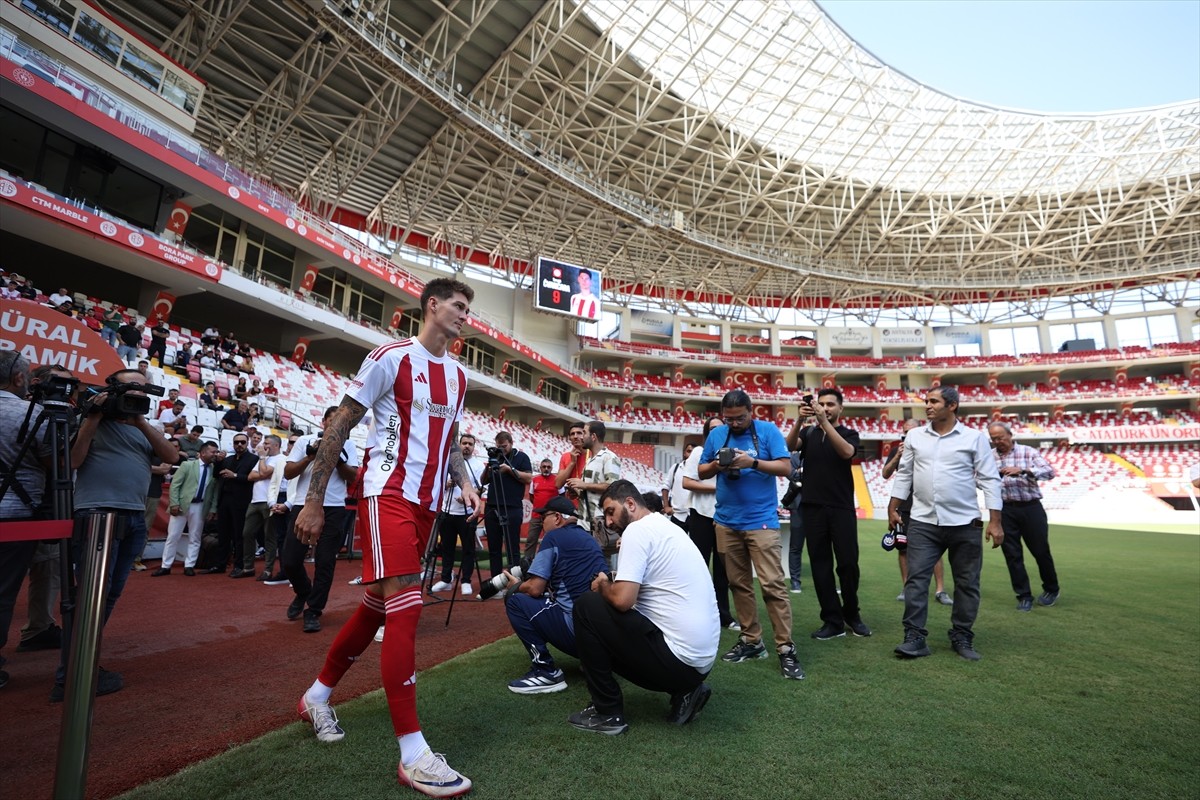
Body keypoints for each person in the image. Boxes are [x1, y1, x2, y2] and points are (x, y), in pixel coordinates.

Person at [291, 277, 478, 796]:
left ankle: (317, 695)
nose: (465, 315)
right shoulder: (391, 358)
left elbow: (453, 445)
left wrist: (466, 484)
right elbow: (340, 425)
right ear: (432, 306)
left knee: (378, 604)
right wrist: (313, 499)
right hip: (386, 493)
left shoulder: (458, 377)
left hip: (429, 504)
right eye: (458, 306)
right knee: (408, 604)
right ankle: (413, 752)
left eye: (469, 309)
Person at [54, 367, 178, 700]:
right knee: (89, 598)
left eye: (142, 391)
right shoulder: (92, 422)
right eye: (130, 391)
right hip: (96, 515)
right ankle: (71, 674)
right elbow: (73, 462)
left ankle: (83, 661)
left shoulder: (142, 427)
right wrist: (93, 417)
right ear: (112, 391)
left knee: (107, 597)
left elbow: (170, 456)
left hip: (134, 519)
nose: (137, 396)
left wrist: (139, 421)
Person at [568, 481, 719, 734]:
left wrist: (604, 585)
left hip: (680, 660)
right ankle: (685, 691)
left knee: (586, 607)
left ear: (629, 503)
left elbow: (623, 600)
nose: (608, 522)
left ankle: (607, 713)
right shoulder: (666, 527)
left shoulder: (637, 531)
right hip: (699, 664)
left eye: (610, 511)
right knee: (608, 616)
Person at [888, 387, 1004, 662]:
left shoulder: (974, 438)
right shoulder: (915, 436)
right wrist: (893, 506)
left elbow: (989, 479)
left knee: (967, 583)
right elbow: (905, 473)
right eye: (926, 401)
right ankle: (914, 637)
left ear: (951, 405)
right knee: (916, 580)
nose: (927, 406)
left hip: (965, 523)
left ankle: (962, 635)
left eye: (933, 401)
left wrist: (996, 521)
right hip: (923, 521)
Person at [700, 390, 802, 679]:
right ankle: (751, 640)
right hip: (726, 522)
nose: (733, 424)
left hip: (762, 522)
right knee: (738, 584)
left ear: (751, 411)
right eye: (728, 419)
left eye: (740, 418)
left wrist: (752, 462)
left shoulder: (768, 431)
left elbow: (785, 467)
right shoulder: (717, 434)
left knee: (772, 585)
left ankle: (785, 648)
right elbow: (702, 470)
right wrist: (719, 464)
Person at [785, 389, 870, 640]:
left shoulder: (848, 433)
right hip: (812, 507)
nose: (825, 407)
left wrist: (823, 422)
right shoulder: (808, 433)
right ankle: (832, 620)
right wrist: (800, 419)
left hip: (841, 507)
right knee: (821, 566)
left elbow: (846, 452)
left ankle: (852, 614)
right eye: (821, 404)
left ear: (840, 408)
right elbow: (788, 447)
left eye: (830, 404)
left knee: (848, 564)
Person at [504, 496, 607, 694]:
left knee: (516, 600)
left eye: (545, 517)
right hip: (603, 639)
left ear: (558, 517)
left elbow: (535, 588)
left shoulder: (554, 537)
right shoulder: (590, 539)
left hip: (579, 634)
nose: (542, 523)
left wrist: (516, 586)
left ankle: (545, 671)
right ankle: (590, 661)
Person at [0, 352, 52, 689]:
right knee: (3, 591)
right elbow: (57, 464)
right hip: (16, 514)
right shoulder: (30, 413)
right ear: (20, 379)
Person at [281, 409, 359, 628]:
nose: (336, 425)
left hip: (334, 506)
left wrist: (338, 459)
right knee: (290, 559)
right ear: (324, 421)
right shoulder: (305, 441)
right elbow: (288, 473)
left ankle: (314, 610)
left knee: (326, 561)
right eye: (333, 420)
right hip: (303, 505)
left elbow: (352, 477)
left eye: (341, 422)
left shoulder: (349, 445)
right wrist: (311, 456)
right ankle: (304, 590)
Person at [988, 422, 1060, 611]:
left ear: (1010, 435)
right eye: (993, 439)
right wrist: (993, 477)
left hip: (1031, 508)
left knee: (1040, 551)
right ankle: (1024, 595)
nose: (997, 442)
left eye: (1000, 438)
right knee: (1012, 555)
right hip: (1005, 510)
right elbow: (980, 482)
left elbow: (1050, 472)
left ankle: (1051, 589)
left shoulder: (1028, 452)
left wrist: (1025, 471)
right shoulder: (990, 457)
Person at [882, 419, 952, 605]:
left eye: (911, 432)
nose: (908, 436)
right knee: (903, 549)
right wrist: (897, 456)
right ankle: (906, 588)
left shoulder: (931, 448)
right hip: (905, 508)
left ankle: (940, 590)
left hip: (929, 505)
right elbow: (885, 474)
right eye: (905, 433)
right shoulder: (897, 450)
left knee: (935, 550)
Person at [682, 417, 737, 630]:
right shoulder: (698, 452)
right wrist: (717, 488)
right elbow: (687, 482)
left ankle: (724, 615)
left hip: (725, 516)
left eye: (720, 427)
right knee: (699, 567)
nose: (716, 431)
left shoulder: (733, 453)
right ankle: (696, 613)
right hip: (701, 516)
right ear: (707, 432)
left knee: (723, 570)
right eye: (712, 428)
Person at [431, 434, 487, 595]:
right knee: (446, 547)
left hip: (467, 513)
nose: (467, 446)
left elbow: (481, 487)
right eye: (464, 443)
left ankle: (466, 580)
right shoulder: (447, 461)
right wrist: (446, 484)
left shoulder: (478, 466)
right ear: (459, 444)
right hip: (447, 510)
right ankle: (446, 579)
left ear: (474, 447)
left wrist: (468, 495)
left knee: (468, 548)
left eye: (470, 443)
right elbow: (435, 482)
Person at [154, 441, 220, 576]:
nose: (215, 454)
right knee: (173, 536)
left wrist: (212, 509)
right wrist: (174, 503)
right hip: (183, 505)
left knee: (195, 537)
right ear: (203, 452)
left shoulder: (214, 469)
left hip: (201, 506)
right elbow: (175, 485)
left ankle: (189, 565)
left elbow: (214, 491)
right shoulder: (187, 465)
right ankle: (166, 565)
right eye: (212, 452)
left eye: (215, 452)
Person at [565, 420, 621, 555]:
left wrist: (584, 485)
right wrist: (577, 491)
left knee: (601, 564)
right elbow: (591, 491)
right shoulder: (591, 459)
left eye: (584, 432)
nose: (581, 436)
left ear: (593, 436)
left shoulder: (609, 458)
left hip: (599, 522)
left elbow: (612, 486)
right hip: (584, 521)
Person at [482, 431, 532, 577]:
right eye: (499, 447)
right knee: (494, 547)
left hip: (512, 507)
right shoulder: (495, 457)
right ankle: (496, 581)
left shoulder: (521, 457)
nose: (501, 450)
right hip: (492, 507)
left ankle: (514, 581)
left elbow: (528, 478)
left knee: (512, 548)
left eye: (504, 446)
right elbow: (483, 481)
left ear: (511, 443)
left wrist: (510, 469)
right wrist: (489, 464)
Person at [210, 432, 259, 575]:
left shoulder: (253, 459)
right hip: (224, 499)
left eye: (242, 442)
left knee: (239, 534)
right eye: (236, 442)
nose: (239, 445)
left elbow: (253, 478)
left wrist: (235, 476)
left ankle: (240, 565)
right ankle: (220, 565)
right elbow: (216, 475)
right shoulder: (227, 459)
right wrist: (218, 462)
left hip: (241, 501)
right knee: (223, 534)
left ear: (247, 443)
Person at [244, 435, 285, 580]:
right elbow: (251, 476)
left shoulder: (280, 459)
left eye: (266, 443)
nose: (263, 446)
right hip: (255, 500)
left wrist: (262, 460)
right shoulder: (265, 459)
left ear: (276, 445)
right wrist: (264, 470)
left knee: (270, 537)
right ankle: (248, 566)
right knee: (247, 533)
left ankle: (268, 570)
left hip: (269, 500)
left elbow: (263, 472)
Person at [524, 458, 559, 558]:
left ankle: (551, 562)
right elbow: (531, 496)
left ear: (552, 468)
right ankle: (527, 563)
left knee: (552, 540)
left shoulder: (557, 480)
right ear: (540, 468)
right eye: (544, 467)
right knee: (531, 539)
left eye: (548, 467)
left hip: (551, 517)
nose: (546, 469)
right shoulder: (534, 480)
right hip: (536, 515)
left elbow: (562, 496)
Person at [662, 442, 693, 532]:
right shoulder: (675, 468)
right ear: (684, 453)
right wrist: (666, 506)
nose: (691, 454)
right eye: (689, 451)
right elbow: (665, 487)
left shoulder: (700, 471)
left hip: (694, 517)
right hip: (677, 515)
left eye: (693, 452)